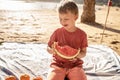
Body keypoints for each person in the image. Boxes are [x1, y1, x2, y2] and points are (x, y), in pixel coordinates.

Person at [47, 0, 88, 80]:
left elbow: (83, 53)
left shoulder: (82, 35)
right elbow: (48, 47)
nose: (62, 21)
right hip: (57, 65)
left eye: (65, 19)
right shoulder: (57, 32)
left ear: (75, 17)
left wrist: (77, 55)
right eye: (60, 18)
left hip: (75, 65)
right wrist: (51, 50)